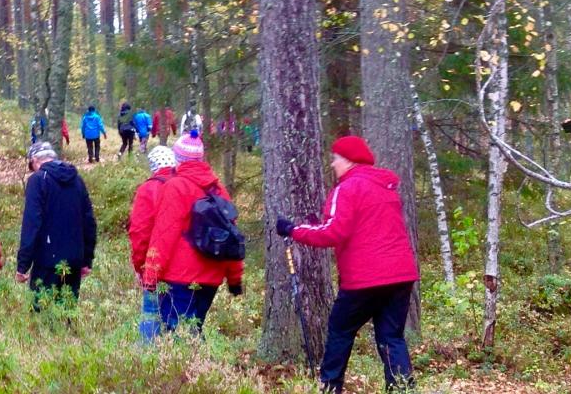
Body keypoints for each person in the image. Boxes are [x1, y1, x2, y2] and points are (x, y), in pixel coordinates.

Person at [276, 136, 419, 394]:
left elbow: (332, 233)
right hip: (400, 275)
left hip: (365, 278)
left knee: (341, 329)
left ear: (349, 160)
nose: (332, 164)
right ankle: (402, 390)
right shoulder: (385, 187)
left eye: (336, 158)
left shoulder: (347, 188)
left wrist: (293, 230)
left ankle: (330, 387)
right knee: (391, 338)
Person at [138, 132, 244, 335]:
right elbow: (231, 236)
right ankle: (198, 366)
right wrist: (234, 278)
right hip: (211, 279)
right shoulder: (218, 188)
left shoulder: (175, 186)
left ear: (178, 159)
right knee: (192, 331)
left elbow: (163, 236)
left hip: (179, 279)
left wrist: (150, 277)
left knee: (178, 336)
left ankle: (194, 368)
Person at [16, 142, 97, 309]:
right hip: (74, 258)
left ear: (35, 160)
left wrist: (23, 265)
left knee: (43, 314)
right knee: (67, 311)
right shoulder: (77, 180)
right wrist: (86, 259)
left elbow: (32, 224)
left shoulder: (38, 180)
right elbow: (89, 221)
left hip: (47, 261)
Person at [129, 146, 179, 342]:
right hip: (184, 268)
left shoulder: (148, 189)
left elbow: (139, 232)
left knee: (151, 311)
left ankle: (147, 360)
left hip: (155, 263)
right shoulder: (185, 186)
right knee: (181, 317)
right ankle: (183, 362)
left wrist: (140, 266)